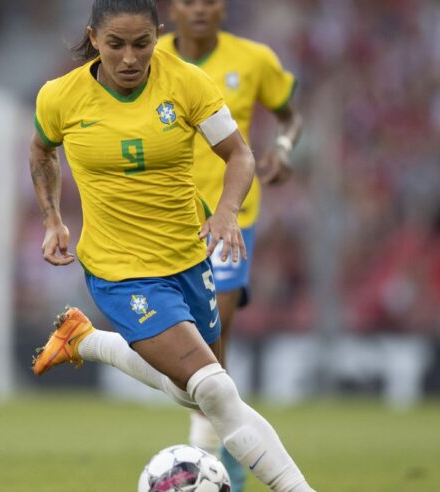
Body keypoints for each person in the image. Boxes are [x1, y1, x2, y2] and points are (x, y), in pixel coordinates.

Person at [29, 1, 315, 491]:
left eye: (142, 44)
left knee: (202, 394)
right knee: (216, 388)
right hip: (119, 271)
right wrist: (53, 218)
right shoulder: (60, 97)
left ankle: (86, 340)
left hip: (188, 258)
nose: (129, 58)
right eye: (116, 44)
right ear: (93, 38)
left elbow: (239, 154)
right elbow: (42, 151)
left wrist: (226, 211)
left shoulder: (185, 82)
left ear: (157, 35)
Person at [156, 1, 304, 490]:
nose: (199, 9)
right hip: (163, 218)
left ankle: (210, 451)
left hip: (229, 218)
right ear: (171, 9)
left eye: (210, 0)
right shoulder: (146, 57)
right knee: (185, 340)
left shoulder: (254, 59)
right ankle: (228, 435)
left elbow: (289, 118)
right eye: (188, 1)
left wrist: (283, 149)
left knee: (214, 336)